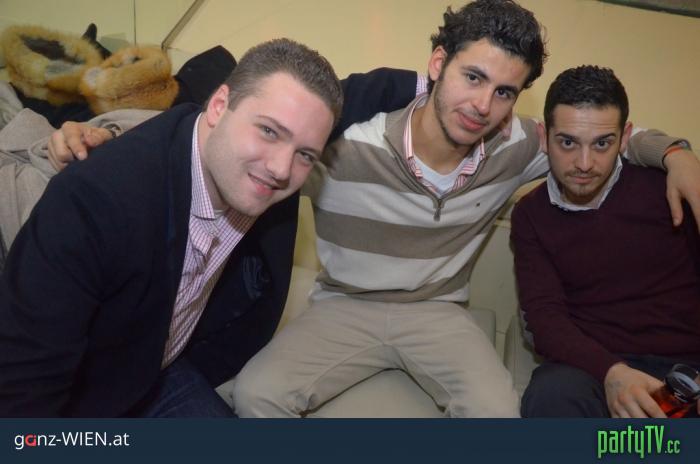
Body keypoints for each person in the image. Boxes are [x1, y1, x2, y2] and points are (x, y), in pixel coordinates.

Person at [42, 1, 700, 418]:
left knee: (501, 417)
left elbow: (602, 138)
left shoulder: (520, 145)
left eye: (505, 91)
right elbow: (220, 129)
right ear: (437, 64)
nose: (484, 105)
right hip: (344, 306)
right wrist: (106, 133)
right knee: (257, 396)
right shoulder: (342, 139)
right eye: (473, 77)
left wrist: (676, 154)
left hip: (439, 313)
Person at [0, 38, 417, 417]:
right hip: (82, 401)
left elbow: (348, 96)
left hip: (160, 370)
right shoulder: (92, 207)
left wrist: (438, 84)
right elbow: (25, 400)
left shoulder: (261, 162)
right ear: (218, 106)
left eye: (305, 154)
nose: (281, 169)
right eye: (268, 131)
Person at [511, 65, 700, 418]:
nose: (584, 164)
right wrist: (612, 373)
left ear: (625, 138)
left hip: (687, 367)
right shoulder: (531, 215)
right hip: (593, 368)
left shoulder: (668, 187)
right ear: (543, 137)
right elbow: (545, 318)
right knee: (551, 396)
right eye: (567, 142)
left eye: (602, 143)